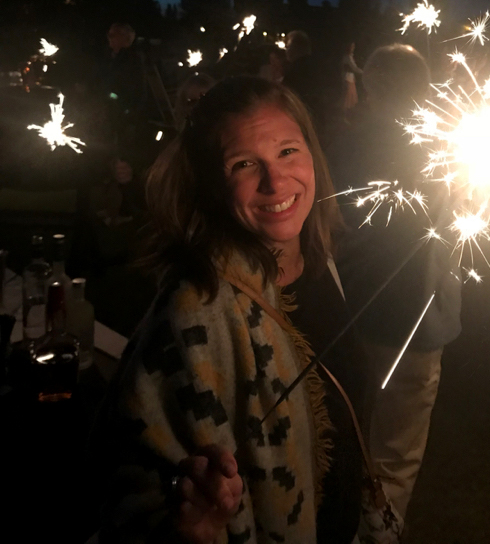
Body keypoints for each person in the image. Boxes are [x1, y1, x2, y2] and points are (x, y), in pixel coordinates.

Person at [93, 76, 376, 543]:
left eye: (288, 151)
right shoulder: (198, 309)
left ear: (313, 154)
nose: (275, 181)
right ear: (210, 183)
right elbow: (129, 482)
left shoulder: (318, 258)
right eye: (244, 164)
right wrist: (186, 523)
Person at [328, 43, 461, 523]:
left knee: (339, 429)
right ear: (424, 89)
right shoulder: (453, 152)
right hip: (416, 321)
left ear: (369, 88)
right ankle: (378, 531)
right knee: (395, 453)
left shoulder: (339, 146)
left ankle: (334, 520)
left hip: (347, 313)